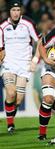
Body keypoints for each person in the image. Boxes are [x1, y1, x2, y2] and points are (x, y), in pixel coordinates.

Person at [0, 0, 40, 134]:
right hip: (8, 65)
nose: (16, 13)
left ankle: (10, 116)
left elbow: (39, 41)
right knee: (11, 93)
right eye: (13, 10)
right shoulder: (2, 26)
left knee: (18, 100)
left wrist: (35, 59)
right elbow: (1, 48)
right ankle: (10, 125)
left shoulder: (28, 23)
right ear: (9, 11)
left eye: (18, 10)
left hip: (24, 65)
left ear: (21, 11)